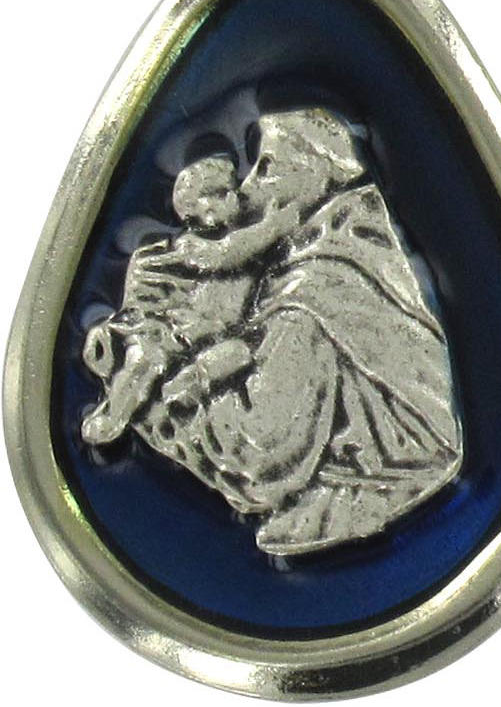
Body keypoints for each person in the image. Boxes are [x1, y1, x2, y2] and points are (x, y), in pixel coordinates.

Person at [132, 108, 464, 555]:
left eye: (267, 168)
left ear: (318, 172)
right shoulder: (340, 241)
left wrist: (170, 399)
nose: (249, 186)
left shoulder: (315, 289)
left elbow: (265, 450)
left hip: (379, 462)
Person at [82, 155, 297, 445]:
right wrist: (273, 227)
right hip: (173, 330)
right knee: (145, 359)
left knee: (239, 354)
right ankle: (114, 414)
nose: (237, 197)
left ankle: (184, 388)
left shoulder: (248, 246)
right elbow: (225, 254)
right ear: (206, 209)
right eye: (227, 192)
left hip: (215, 335)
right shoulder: (192, 245)